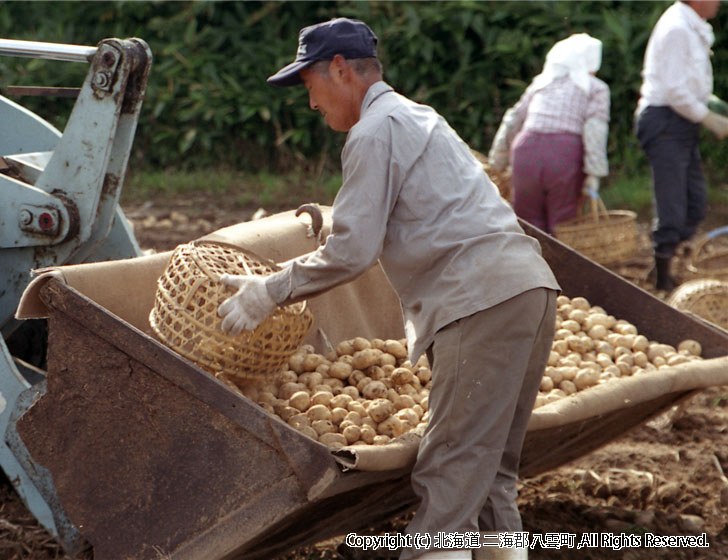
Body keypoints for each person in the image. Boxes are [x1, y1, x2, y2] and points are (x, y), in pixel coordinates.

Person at [217, 17, 560, 560]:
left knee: (448, 473)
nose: (311, 105)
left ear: (338, 69)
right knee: (490, 469)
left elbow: (353, 251)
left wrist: (270, 290)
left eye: (310, 88)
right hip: (531, 290)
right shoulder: (420, 117)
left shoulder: (373, 131)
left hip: (479, 301)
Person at [635, 0, 727, 291]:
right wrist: (708, 118)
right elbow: (675, 90)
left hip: (680, 122)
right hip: (665, 120)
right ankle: (663, 280)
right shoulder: (676, 28)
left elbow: (689, 83)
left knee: (696, 204)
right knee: (673, 207)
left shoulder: (689, 26)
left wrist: (709, 105)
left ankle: (665, 265)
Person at [488, 33, 610, 236]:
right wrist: (594, 171)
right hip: (563, 155)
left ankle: (527, 266)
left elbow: (512, 121)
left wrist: (497, 161)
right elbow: (594, 130)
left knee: (526, 222)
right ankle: (558, 267)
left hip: (525, 151)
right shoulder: (596, 88)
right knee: (563, 223)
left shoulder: (541, 83)